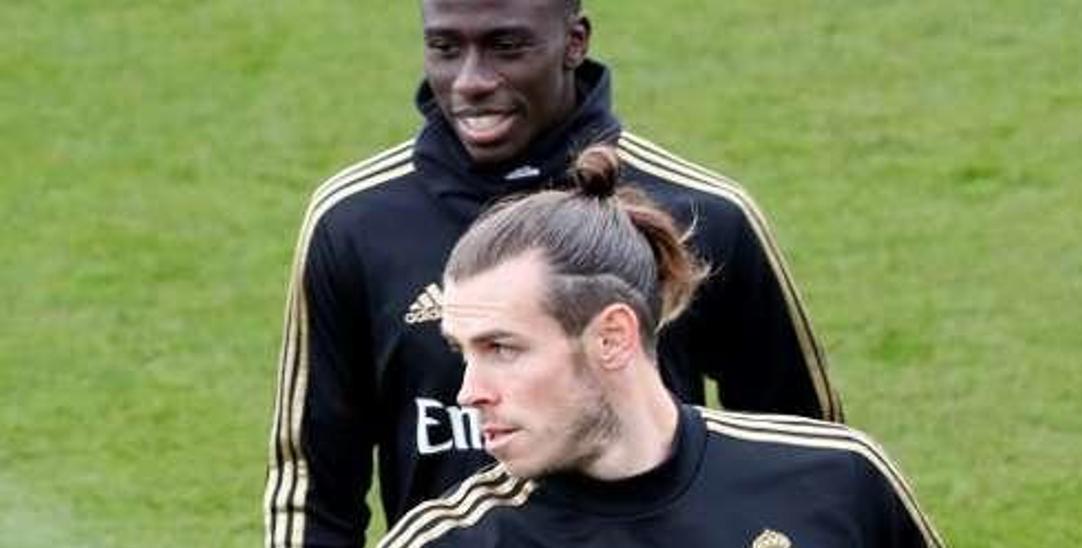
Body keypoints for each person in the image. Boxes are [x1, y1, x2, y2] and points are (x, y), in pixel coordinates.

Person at [264, 1, 843, 546]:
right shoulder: (354, 223)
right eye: (444, 48)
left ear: (574, 41)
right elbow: (313, 483)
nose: (470, 80)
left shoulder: (702, 215)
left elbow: (801, 452)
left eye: (505, 47)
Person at [376, 146, 944, 548]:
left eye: (502, 348)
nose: (469, 394)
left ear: (612, 337)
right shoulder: (451, 541)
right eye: (462, 351)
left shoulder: (834, 479)